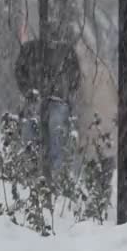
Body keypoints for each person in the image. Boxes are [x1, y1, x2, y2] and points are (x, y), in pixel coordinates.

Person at [14, 28, 81, 172]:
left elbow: (75, 77)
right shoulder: (32, 50)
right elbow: (19, 72)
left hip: (56, 100)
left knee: (54, 133)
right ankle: (34, 171)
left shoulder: (65, 51)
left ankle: (52, 173)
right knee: (33, 132)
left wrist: (66, 94)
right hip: (37, 99)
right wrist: (29, 92)